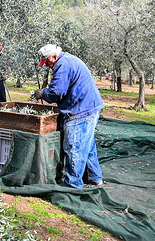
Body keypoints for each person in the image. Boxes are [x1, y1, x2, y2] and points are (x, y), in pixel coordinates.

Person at [34, 44, 104, 189]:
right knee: (87, 146)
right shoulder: (68, 60)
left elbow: (56, 93)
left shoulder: (63, 65)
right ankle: (95, 179)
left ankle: (72, 185)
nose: (47, 66)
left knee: (74, 148)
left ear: (53, 56)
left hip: (80, 111)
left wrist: (42, 93)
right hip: (90, 108)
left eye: (47, 62)